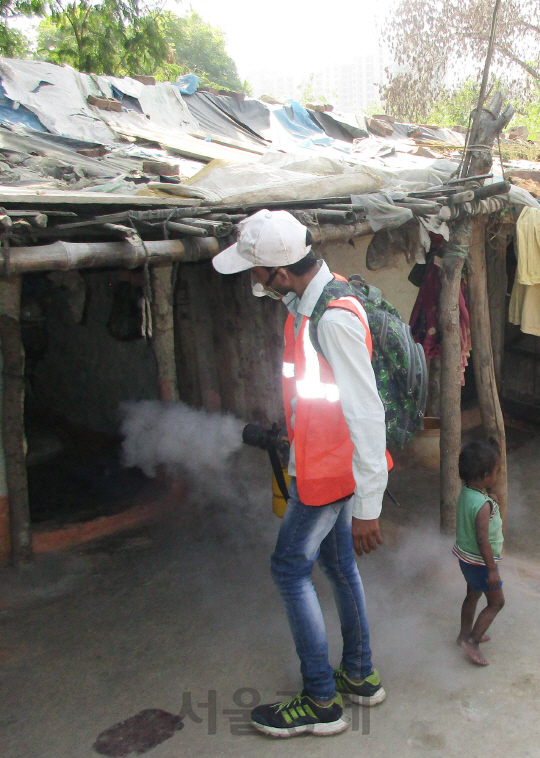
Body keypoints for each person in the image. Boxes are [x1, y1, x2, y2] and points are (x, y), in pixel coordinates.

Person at [212, 209, 388, 738]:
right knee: (337, 567)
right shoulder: (306, 306)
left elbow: (366, 412)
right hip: (320, 467)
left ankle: (320, 701)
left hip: (329, 476)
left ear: (281, 273)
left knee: (290, 569)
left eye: (255, 271)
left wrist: (368, 507)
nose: (252, 281)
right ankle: (359, 675)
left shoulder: (331, 319)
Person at [453, 439, 504, 666]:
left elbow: (474, 509)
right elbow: (482, 538)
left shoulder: (467, 493)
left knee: (472, 594)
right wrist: (492, 569)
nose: (498, 475)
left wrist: (488, 499)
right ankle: (472, 642)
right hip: (482, 563)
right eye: (496, 472)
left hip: (467, 559)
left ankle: (464, 633)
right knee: (496, 602)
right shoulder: (483, 505)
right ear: (484, 476)